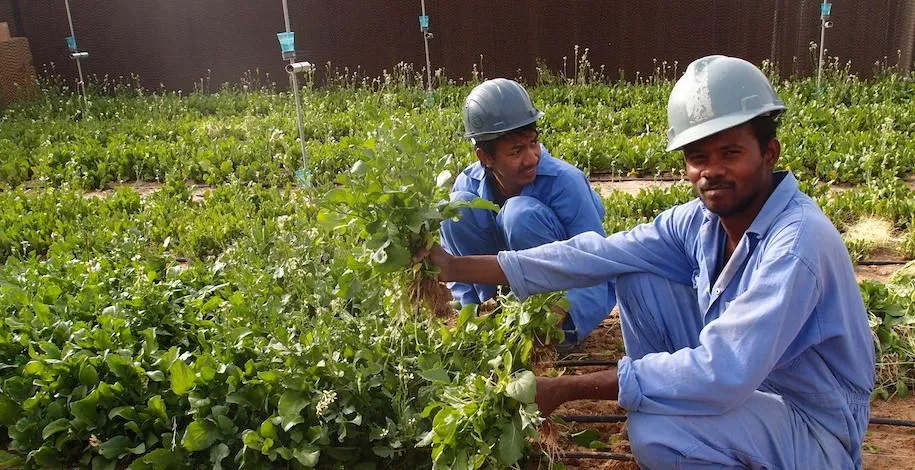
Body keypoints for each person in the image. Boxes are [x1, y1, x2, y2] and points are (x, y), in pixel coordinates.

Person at [422, 56, 875, 468]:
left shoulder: (796, 245)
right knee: (638, 274)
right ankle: (674, 407)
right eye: (698, 157)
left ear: (768, 154)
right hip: (754, 391)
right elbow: (595, 252)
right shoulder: (698, 222)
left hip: (815, 430)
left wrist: (567, 388)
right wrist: (455, 268)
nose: (711, 170)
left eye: (730, 153)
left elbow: (725, 370)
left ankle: (679, 422)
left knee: (657, 433)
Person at [440, 78, 615, 349]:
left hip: (558, 305)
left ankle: (547, 326)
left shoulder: (565, 182)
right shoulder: (468, 184)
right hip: (504, 299)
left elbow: (599, 265)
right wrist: (470, 317)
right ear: (485, 157)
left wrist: (564, 314)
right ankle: (495, 311)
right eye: (516, 151)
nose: (532, 157)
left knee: (519, 215)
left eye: (533, 143)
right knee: (456, 209)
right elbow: (454, 264)